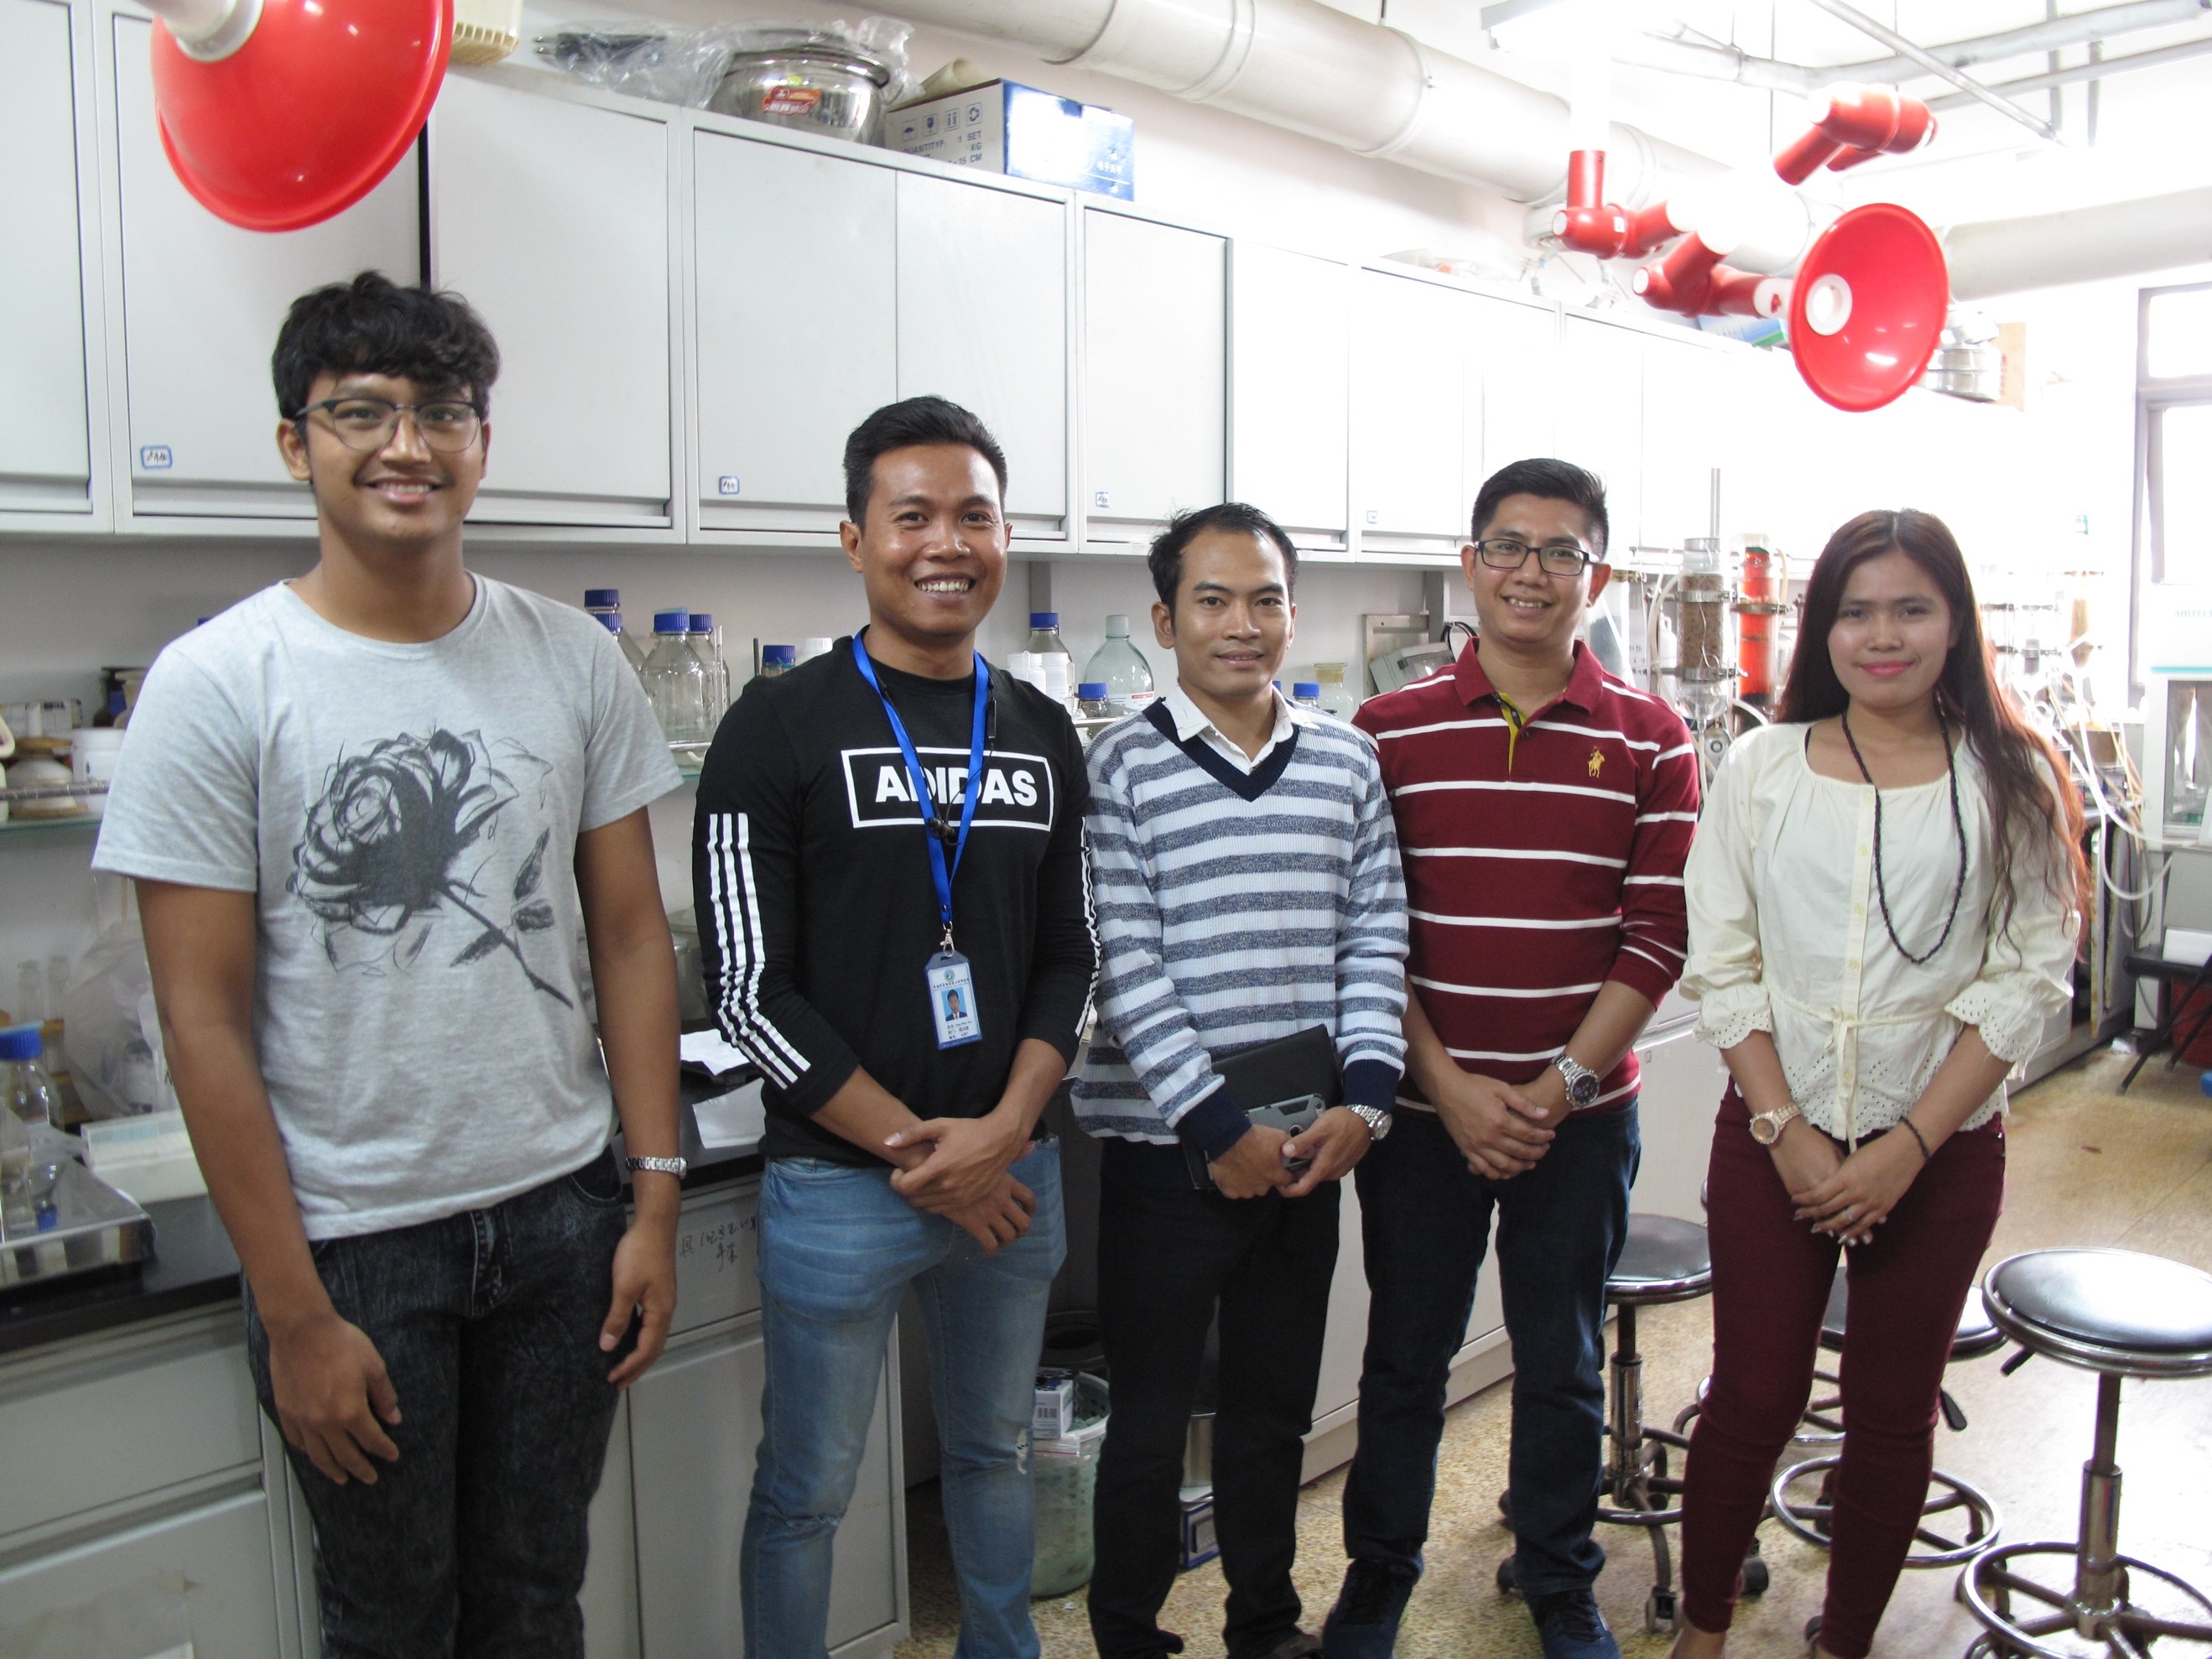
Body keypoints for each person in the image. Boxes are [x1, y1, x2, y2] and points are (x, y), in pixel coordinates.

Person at [94, 271, 686, 1655]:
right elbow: (201, 1020)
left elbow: (628, 937)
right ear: (294, 442)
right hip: (353, 1243)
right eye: (360, 410)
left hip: (561, 1218)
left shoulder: (572, 659)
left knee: (535, 1599)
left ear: (482, 440)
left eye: (441, 411)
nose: (406, 444)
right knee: (391, 1620)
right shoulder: (217, 681)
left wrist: (653, 1198)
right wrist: (293, 1310)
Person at [692, 396, 1096, 1659]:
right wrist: (930, 1155)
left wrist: (1005, 1130)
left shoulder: (1040, 728)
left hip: (1011, 1167)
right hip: (841, 1180)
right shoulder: (776, 723)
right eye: (911, 516)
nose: (945, 543)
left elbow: (1070, 955)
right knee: (807, 1490)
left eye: (974, 516)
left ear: (1005, 536)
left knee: (991, 1452)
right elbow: (747, 990)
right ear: (855, 539)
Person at [1669, 510, 2083, 1659]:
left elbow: (2026, 975)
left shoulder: (2010, 776)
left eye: (1911, 608)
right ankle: (1700, 1630)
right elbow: (1723, 961)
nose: (1882, 635)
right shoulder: (1760, 766)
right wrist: (1788, 1131)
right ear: (1822, 628)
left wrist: (1905, 1148)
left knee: (1890, 1412)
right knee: (1753, 1395)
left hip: (1941, 1146)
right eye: (1855, 611)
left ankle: (1843, 1639)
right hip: (1775, 1134)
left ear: (1955, 623)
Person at [1332, 458, 1699, 1659]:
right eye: (1507, 545)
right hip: (1422, 1118)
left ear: (1599, 576)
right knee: (1406, 1358)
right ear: (1469, 563)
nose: (1530, 571)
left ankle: (1556, 1574)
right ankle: (1377, 1574)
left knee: (1560, 1361)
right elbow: (1367, 929)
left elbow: (1657, 936)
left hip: (1577, 1122)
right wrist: (1444, 1086)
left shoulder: (1652, 738)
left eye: (1560, 551)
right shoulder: (1385, 732)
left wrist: (1552, 1091)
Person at [1075, 502, 1409, 1659]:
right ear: (1165, 621)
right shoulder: (1119, 767)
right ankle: (1127, 1630)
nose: (1241, 624)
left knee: (1272, 1407)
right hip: (1168, 1156)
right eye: (1211, 600)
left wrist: (1365, 1102)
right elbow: (1123, 963)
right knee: (1149, 1418)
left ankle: (1264, 1622)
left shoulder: (1346, 759)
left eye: (1264, 599)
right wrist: (1216, 1128)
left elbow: (1375, 936)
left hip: (1309, 1145)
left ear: (1291, 615)